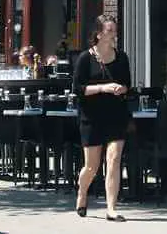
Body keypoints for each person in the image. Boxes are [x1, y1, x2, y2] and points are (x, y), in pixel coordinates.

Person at [72, 14, 130, 222]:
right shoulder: (85, 59)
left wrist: (122, 89)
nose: (114, 34)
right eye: (110, 30)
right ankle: (82, 192)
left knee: (114, 160)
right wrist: (103, 87)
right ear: (98, 34)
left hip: (116, 115)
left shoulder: (122, 57)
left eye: (115, 30)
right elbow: (78, 89)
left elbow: (127, 86)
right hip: (91, 117)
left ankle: (111, 208)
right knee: (92, 167)